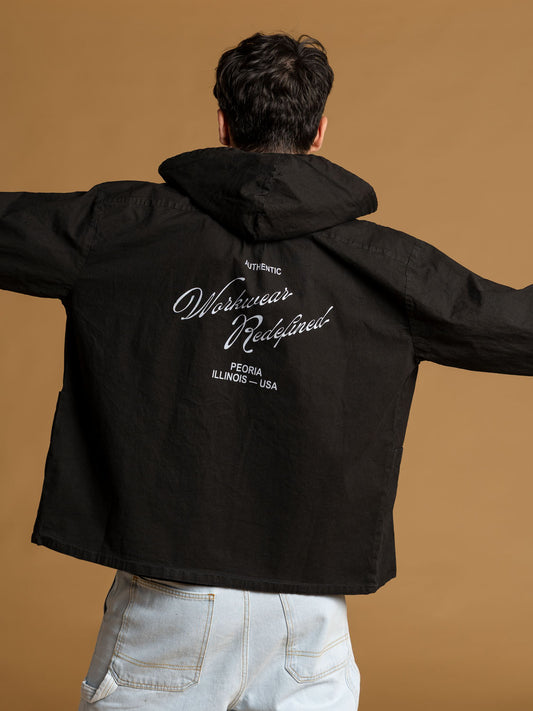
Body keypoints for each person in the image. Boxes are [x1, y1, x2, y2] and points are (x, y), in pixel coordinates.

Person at [1, 30, 532, 711]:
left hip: (168, 609)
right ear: (318, 131)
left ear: (223, 124)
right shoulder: (389, 267)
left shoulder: (118, 227)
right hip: (306, 621)